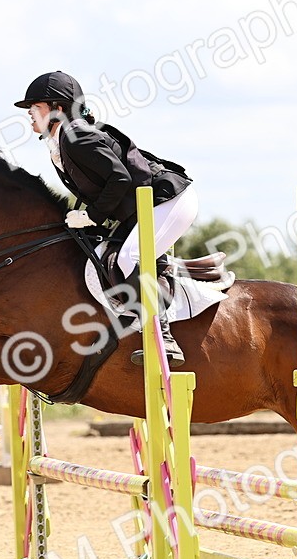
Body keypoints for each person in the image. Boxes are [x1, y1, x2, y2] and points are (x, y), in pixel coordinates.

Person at [15, 71, 197, 368]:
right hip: (143, 207)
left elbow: (119, 178)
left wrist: (90, 217)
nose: (29, 116)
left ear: (58, 108)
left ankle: (164, 337)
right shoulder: (64, 140)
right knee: (104, 254)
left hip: (169, 200)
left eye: (34, 109)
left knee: (129, 257)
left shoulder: (77, 136)